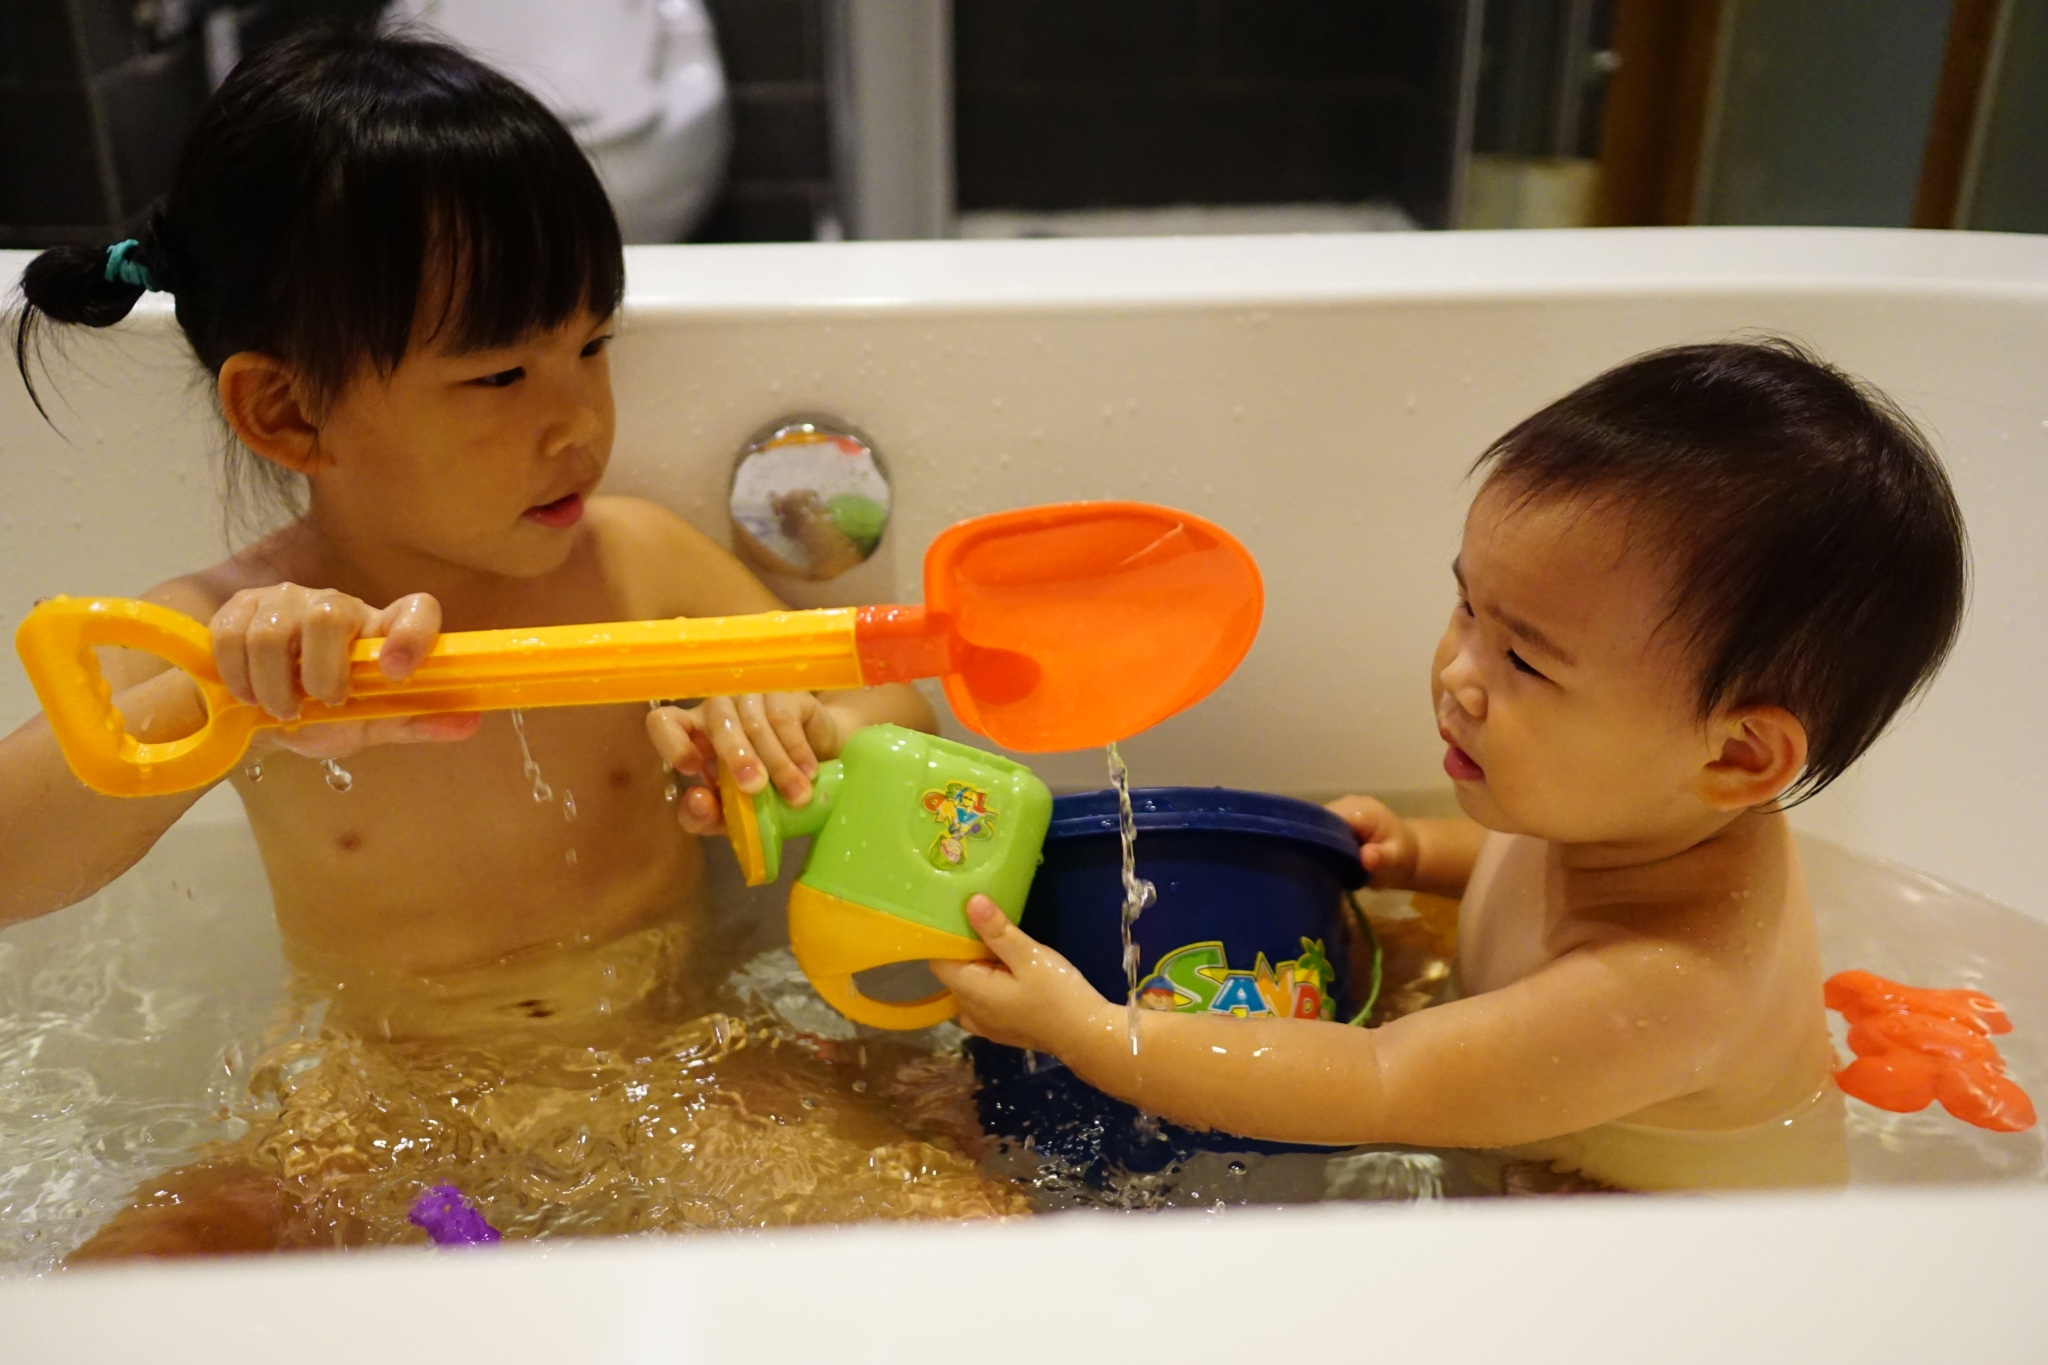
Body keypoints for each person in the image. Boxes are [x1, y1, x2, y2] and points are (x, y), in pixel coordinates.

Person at [3, 29, 1020, 1252]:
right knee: (136, 1280)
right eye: (498, 377)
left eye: (590, 346)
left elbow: (901, 714)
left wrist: (810, 727)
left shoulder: (635, 563)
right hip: (371, 1109)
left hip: (679, 1069)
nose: (575, 420)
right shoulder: (219, 634)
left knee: (970, 1237)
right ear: (286, 408)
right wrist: (221, 694)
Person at [935, 339, 1969, 1191]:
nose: (1458, 674)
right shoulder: (1641, 809)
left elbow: (1374, 1081)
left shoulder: (1669, 990)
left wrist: (1091, 1032)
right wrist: (1422, 852)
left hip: (1667, 1247)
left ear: (1738, 752)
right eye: (1468, 605)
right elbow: (1535, 872)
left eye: (1525, 661)